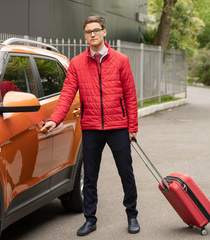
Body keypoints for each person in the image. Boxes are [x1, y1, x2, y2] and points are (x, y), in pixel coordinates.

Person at [43, 15, 140, 236]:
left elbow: (130, 96)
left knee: (126, 173)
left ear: (104, 32)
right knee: (90, 177)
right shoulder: (77, 63)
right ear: (84, 35)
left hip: (118, 127)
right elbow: (67, 95)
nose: (92, 34)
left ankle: (132, 214)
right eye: (88, 31)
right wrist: (54, 119)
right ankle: (90, 219)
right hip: (91, 128)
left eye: (96, 30)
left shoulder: (121, 60)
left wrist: (132, 127)